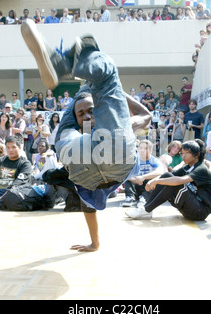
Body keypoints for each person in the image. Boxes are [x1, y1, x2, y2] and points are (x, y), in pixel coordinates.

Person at [20, 21, 152, 251]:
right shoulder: (76, 135)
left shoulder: (118, 126)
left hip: (101, 159)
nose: (87, 114)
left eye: (92, 110)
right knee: (106, 72)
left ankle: (66, 67)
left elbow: (146, 116)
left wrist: (113, 96)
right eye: (82, 113)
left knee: (97, 90)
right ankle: (69, 66)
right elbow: (87, 208)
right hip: (89, 161)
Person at [126, 139, 211, 220]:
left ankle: (146, 210)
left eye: (187, 153)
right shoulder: (188, 167)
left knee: (175, 184)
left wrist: (156, 181)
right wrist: (152, 181)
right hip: (189, 208)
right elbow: (168, 175)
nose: (183, 156)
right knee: (167, 175)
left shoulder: (201, 169)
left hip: (200, 211)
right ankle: (147, 208)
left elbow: (179, 181)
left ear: (197, 154)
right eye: (182, 153)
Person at [122, 140, 165, 208]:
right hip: (136, 184)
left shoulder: (154, 160)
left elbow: (160, 171)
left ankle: (144, 199)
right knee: (129, 177)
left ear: (151, 150)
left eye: (145, 148)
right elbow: (124, 172)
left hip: (147, 187)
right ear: (137, 149)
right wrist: (133, 179)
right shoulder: (133, 160)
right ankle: (130, 197)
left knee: (154, 179)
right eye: (140, 148)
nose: (142, 150)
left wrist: (143, 177)